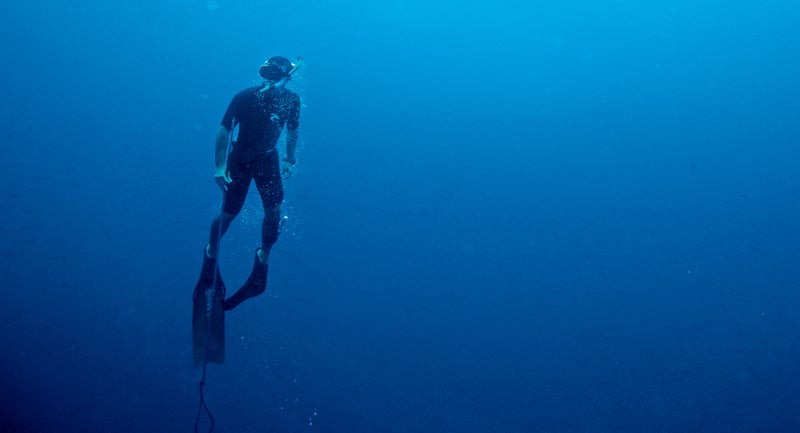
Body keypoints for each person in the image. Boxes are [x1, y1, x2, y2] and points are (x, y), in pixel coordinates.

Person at [199, 55, 302, 311]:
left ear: (284, 75)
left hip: (268, 159)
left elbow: (292, 130)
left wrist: (289, 158)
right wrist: (220, 166)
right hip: (241, 158)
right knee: (230, 212)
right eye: (267, 71)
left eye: (275, 73)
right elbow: (224, 129)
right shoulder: (245, 96)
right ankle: (211, 252)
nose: (269, 77)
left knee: (274, 211)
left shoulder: (291, 100)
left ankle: (261, 266)